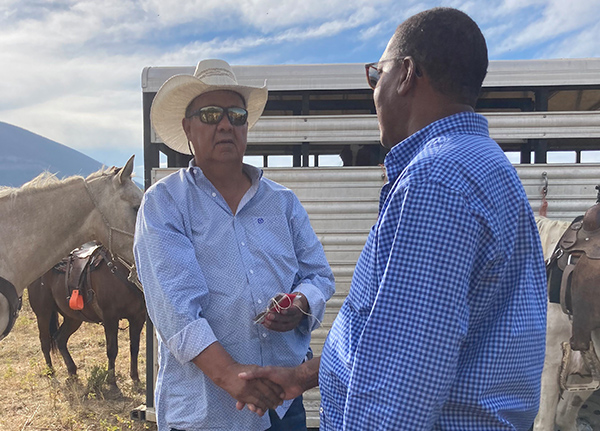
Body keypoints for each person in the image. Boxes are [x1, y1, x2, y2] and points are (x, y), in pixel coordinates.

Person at [238, 7, 547, 430]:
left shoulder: (436, 180)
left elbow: (404, 379)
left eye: (375, 74)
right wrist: (302, 376)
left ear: (404, 74)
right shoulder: (486, 165)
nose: (373, 90)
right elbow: (405, 335)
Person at [133, 59, 335, 431]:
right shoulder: (165, 203)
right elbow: (176, 309)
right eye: (210, 114)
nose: (225, 124)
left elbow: (317, 274)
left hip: (282, 406)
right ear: (187, 127)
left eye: (236, 114)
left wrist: (301, 304)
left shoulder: (283, 202)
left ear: (246, 125)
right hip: (208, 413)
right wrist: (232, 376)